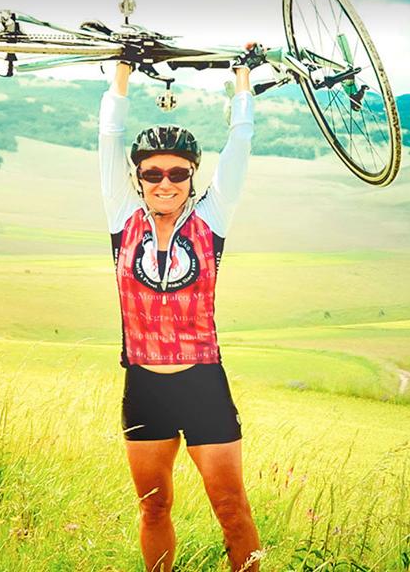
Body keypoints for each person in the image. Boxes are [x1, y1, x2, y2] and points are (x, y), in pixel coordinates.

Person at [98, 55, 261, 572]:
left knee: (231, 508)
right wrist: (121, 74)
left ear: (193, 177)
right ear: (137, 178)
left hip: (202, 383)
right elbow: (108, 138)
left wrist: (242, 81)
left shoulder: (212, 219)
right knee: (154, 508)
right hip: (144, 385)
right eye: (152, 173)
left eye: (177, 174)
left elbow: (239, 147)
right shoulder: (122, 216)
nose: (164, 183)